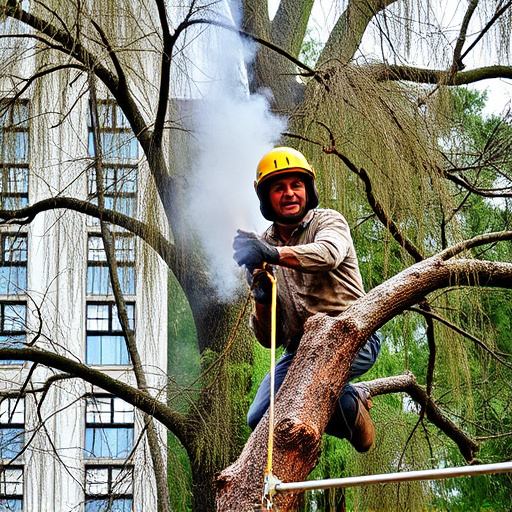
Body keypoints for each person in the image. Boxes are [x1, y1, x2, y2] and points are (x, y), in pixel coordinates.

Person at [232, 146, 381, 452]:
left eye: (295, 185)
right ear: (266, 198)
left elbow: (328, 254)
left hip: (354, 334)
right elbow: (269, 340)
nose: (289, 193)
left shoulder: (329, 221)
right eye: (278, 188)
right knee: (259, 417)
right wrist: (262, 296)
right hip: (301, 352)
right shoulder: (262, 247)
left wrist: (274, 255)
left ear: (308, 189)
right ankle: (349, 399)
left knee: (306, 387)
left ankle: (350, 406)